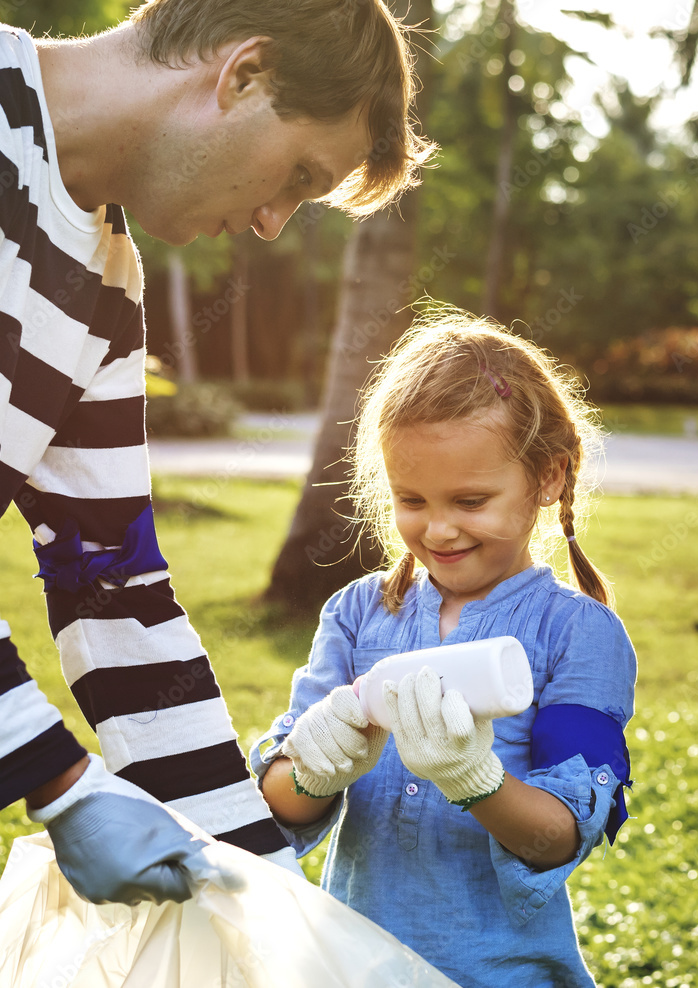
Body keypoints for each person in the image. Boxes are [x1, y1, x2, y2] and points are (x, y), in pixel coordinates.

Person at [0, 0, 433, 983]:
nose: (269, 224)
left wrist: (261, 900)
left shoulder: (106, 282)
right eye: (297, 176)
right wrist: (64, 788)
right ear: (242, 74)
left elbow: (110, 585)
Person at [252, 311, 637, 986]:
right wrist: (317, 764)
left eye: (470, 500)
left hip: (497, 973)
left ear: (549, 478)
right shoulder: (355, 616)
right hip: (354, 968)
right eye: (411, 499)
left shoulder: (579, 634)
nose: (438, 528)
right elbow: (279, 802)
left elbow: (560, 836)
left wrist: (472, 778)